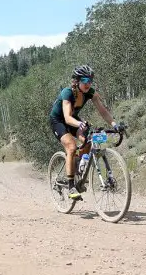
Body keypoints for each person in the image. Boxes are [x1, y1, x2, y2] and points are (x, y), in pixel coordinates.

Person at [48, 64, 121, 199]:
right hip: (58, 120)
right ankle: (71, 187)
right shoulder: (67, 92)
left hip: (73, 119)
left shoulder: (90, 93)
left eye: (90, 80)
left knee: (89, 140)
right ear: (77, 81)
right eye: (85, 81)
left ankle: (78, 165)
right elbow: (67, 118)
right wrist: (80, 123)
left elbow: (103, 111)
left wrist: (115, 124)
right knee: (71, 146)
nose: (89, 84)